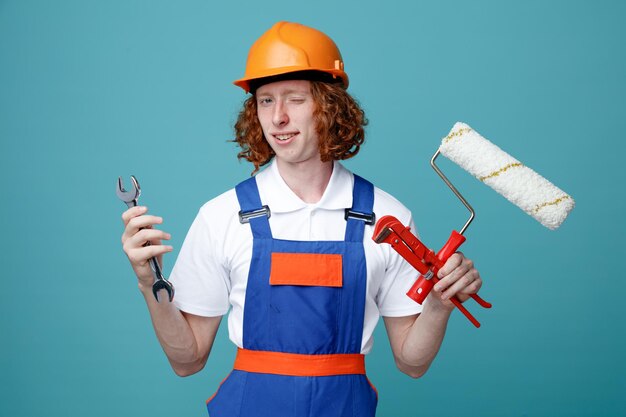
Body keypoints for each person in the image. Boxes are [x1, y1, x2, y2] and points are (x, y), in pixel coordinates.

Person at [120, 21, 484, 417]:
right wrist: (147, 283)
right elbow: (186, 361)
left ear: (329, 106)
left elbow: (412, 364)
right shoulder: (222, 216)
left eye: (294, 99)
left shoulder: (387, 219)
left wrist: (437, 305)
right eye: (265, 101)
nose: (277, 117)